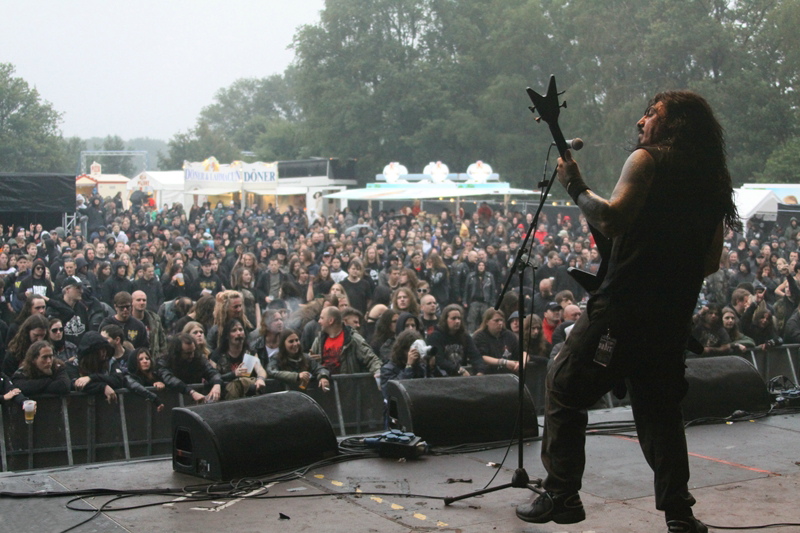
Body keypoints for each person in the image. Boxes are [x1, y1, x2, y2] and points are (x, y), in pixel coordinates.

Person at [515, 91, 738, 533]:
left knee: (563, 384)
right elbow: (710, 261)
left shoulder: (647, 160)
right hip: (671, 317)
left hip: (621, 309)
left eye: (652, 114)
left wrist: (575, 187)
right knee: (659, 409)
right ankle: (679, 513)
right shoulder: (715, 181)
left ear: (675, 124)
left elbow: (612, 219)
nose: (641, 122)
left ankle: (561, 494)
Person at [310, 306, 382, 376]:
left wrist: (378, 373)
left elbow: (371, 359)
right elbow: (309, 363)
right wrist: (315, 361)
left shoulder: (352, 338)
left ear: (331, 321)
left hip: (347, 386)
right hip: (326, 385)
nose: (319, 321)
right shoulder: (320, 340)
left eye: (322, 318)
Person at [157, 333, 223, 403]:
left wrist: (217, 384)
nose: (192, 355)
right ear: (178, 352)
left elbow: (211, 371)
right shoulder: (164, 361)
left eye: (193, 351)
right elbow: (169, 378)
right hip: (170, 402)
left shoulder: (198, 358)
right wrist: (191, 392)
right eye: (187, 353)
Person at [211, 317, 267, 399]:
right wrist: (233, 374)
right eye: (234, 330)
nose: (239, 333)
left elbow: (260, 370)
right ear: (227, 336)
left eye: (241, 330)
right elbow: (212, 377)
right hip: (225, 393)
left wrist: (261, 379)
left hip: (247, 393)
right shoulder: (217, 354)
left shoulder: (249, 353)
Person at [425, 304, 485, 376]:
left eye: (459, 318)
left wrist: (480, 371)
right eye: (453, 318)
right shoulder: (435, 336)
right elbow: (439, 360)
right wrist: (458, 369)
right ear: (445, 320)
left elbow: (476, 356)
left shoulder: (465, 336)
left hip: (461, 376)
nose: (457, 321)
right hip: (442, 376)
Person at [473, 308, 519, 374]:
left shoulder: (509, 335)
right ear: (487, 322)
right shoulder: (479, 336)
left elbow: (519, 352)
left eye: (501, 320)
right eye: (496, 320)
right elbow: (480, 356)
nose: (500, 323)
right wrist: (503, 362)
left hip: (507, 376)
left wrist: (520, 363)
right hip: (488, 376)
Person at [125, 347, 165, 412]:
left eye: (147, 358)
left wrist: (161, 382)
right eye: (140, 359)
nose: (145, 361)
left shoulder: (156, 375)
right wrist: (155, 399)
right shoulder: (129, 377)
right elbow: (136, 386)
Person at [131, 290, 167, 358]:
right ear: (132, 302)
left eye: (144, 300)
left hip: (153, 358)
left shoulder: (155, 319)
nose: (142, 302)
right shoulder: (127, 320)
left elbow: (162, 342)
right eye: (138, 300)